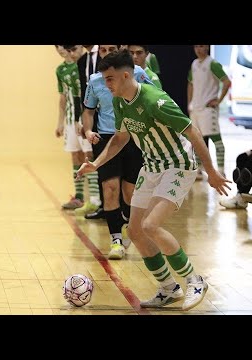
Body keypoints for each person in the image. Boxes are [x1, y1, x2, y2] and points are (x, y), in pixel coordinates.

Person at [77, 49, 231, 311]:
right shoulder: (119, 102)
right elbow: (120, 138)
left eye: (111, 79)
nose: (107, 84)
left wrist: (212, 172)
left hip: (178, 165)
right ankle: (169, 289)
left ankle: (195, 280)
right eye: (104, 79)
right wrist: (96, 163)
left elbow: (193, 131)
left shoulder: (154, 100)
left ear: (126, 76)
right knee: (135, 230)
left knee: (150, 225)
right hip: (151, 166)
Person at [82, 45, 153, 260]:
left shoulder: (137, 74)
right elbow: (88, 111)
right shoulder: (95, 81)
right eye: (103, 49)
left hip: (133, 138)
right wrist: (88, 130)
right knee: (110, 189)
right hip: (106, 139)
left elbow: (151, 99)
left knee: (129, 193)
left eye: (111, 48)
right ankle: (116, 240)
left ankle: (130, 227)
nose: (106, 52)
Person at [55, 45, 98, 211]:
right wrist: (60, 122)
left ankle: (94, 199)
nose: (64, 50)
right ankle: (79, 197)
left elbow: (85, 94)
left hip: (83, 118)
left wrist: (83, 118)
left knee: (89, 154)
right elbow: (63, 97)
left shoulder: (85, 65)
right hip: (71, 119)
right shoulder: (60, 70)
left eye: (72, 48)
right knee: (75, 156)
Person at [187, 44, 231, 180]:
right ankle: (199, 170)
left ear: (207, 47)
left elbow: (227, 82)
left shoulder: (213, 63)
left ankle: (221, 171)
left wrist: (218, 100)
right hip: (195, 109)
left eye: (202, 46)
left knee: (216, 141)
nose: (200, 49)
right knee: (197, 141)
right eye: (197, 47)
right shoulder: (194, 64)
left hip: (208, 110)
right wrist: (190, 103)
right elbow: (190, 84)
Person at [76, 45, 103, 217]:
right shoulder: (82, 61)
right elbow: (83, 92)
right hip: (91, 115)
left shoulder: (105, 52)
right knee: (97, 156)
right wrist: (82, 118)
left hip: (108, 114)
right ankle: (102, 204)